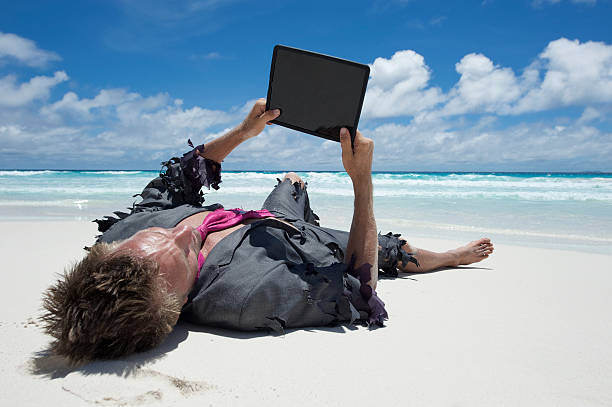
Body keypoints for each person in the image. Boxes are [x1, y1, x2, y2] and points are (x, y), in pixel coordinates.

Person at [41, 99, 494, 364]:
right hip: (292, 248)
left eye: (160, 235)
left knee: (292, 179)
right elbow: (359, 288)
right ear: (177, 305)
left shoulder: (118, 238)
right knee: (391, 252)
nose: (182, 232)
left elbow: (178, 178)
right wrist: (362, 182)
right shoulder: (247, 297)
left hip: (253, 223)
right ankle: (449, 257)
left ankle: (298, 198)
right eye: (182, 252)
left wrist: (241, 133)